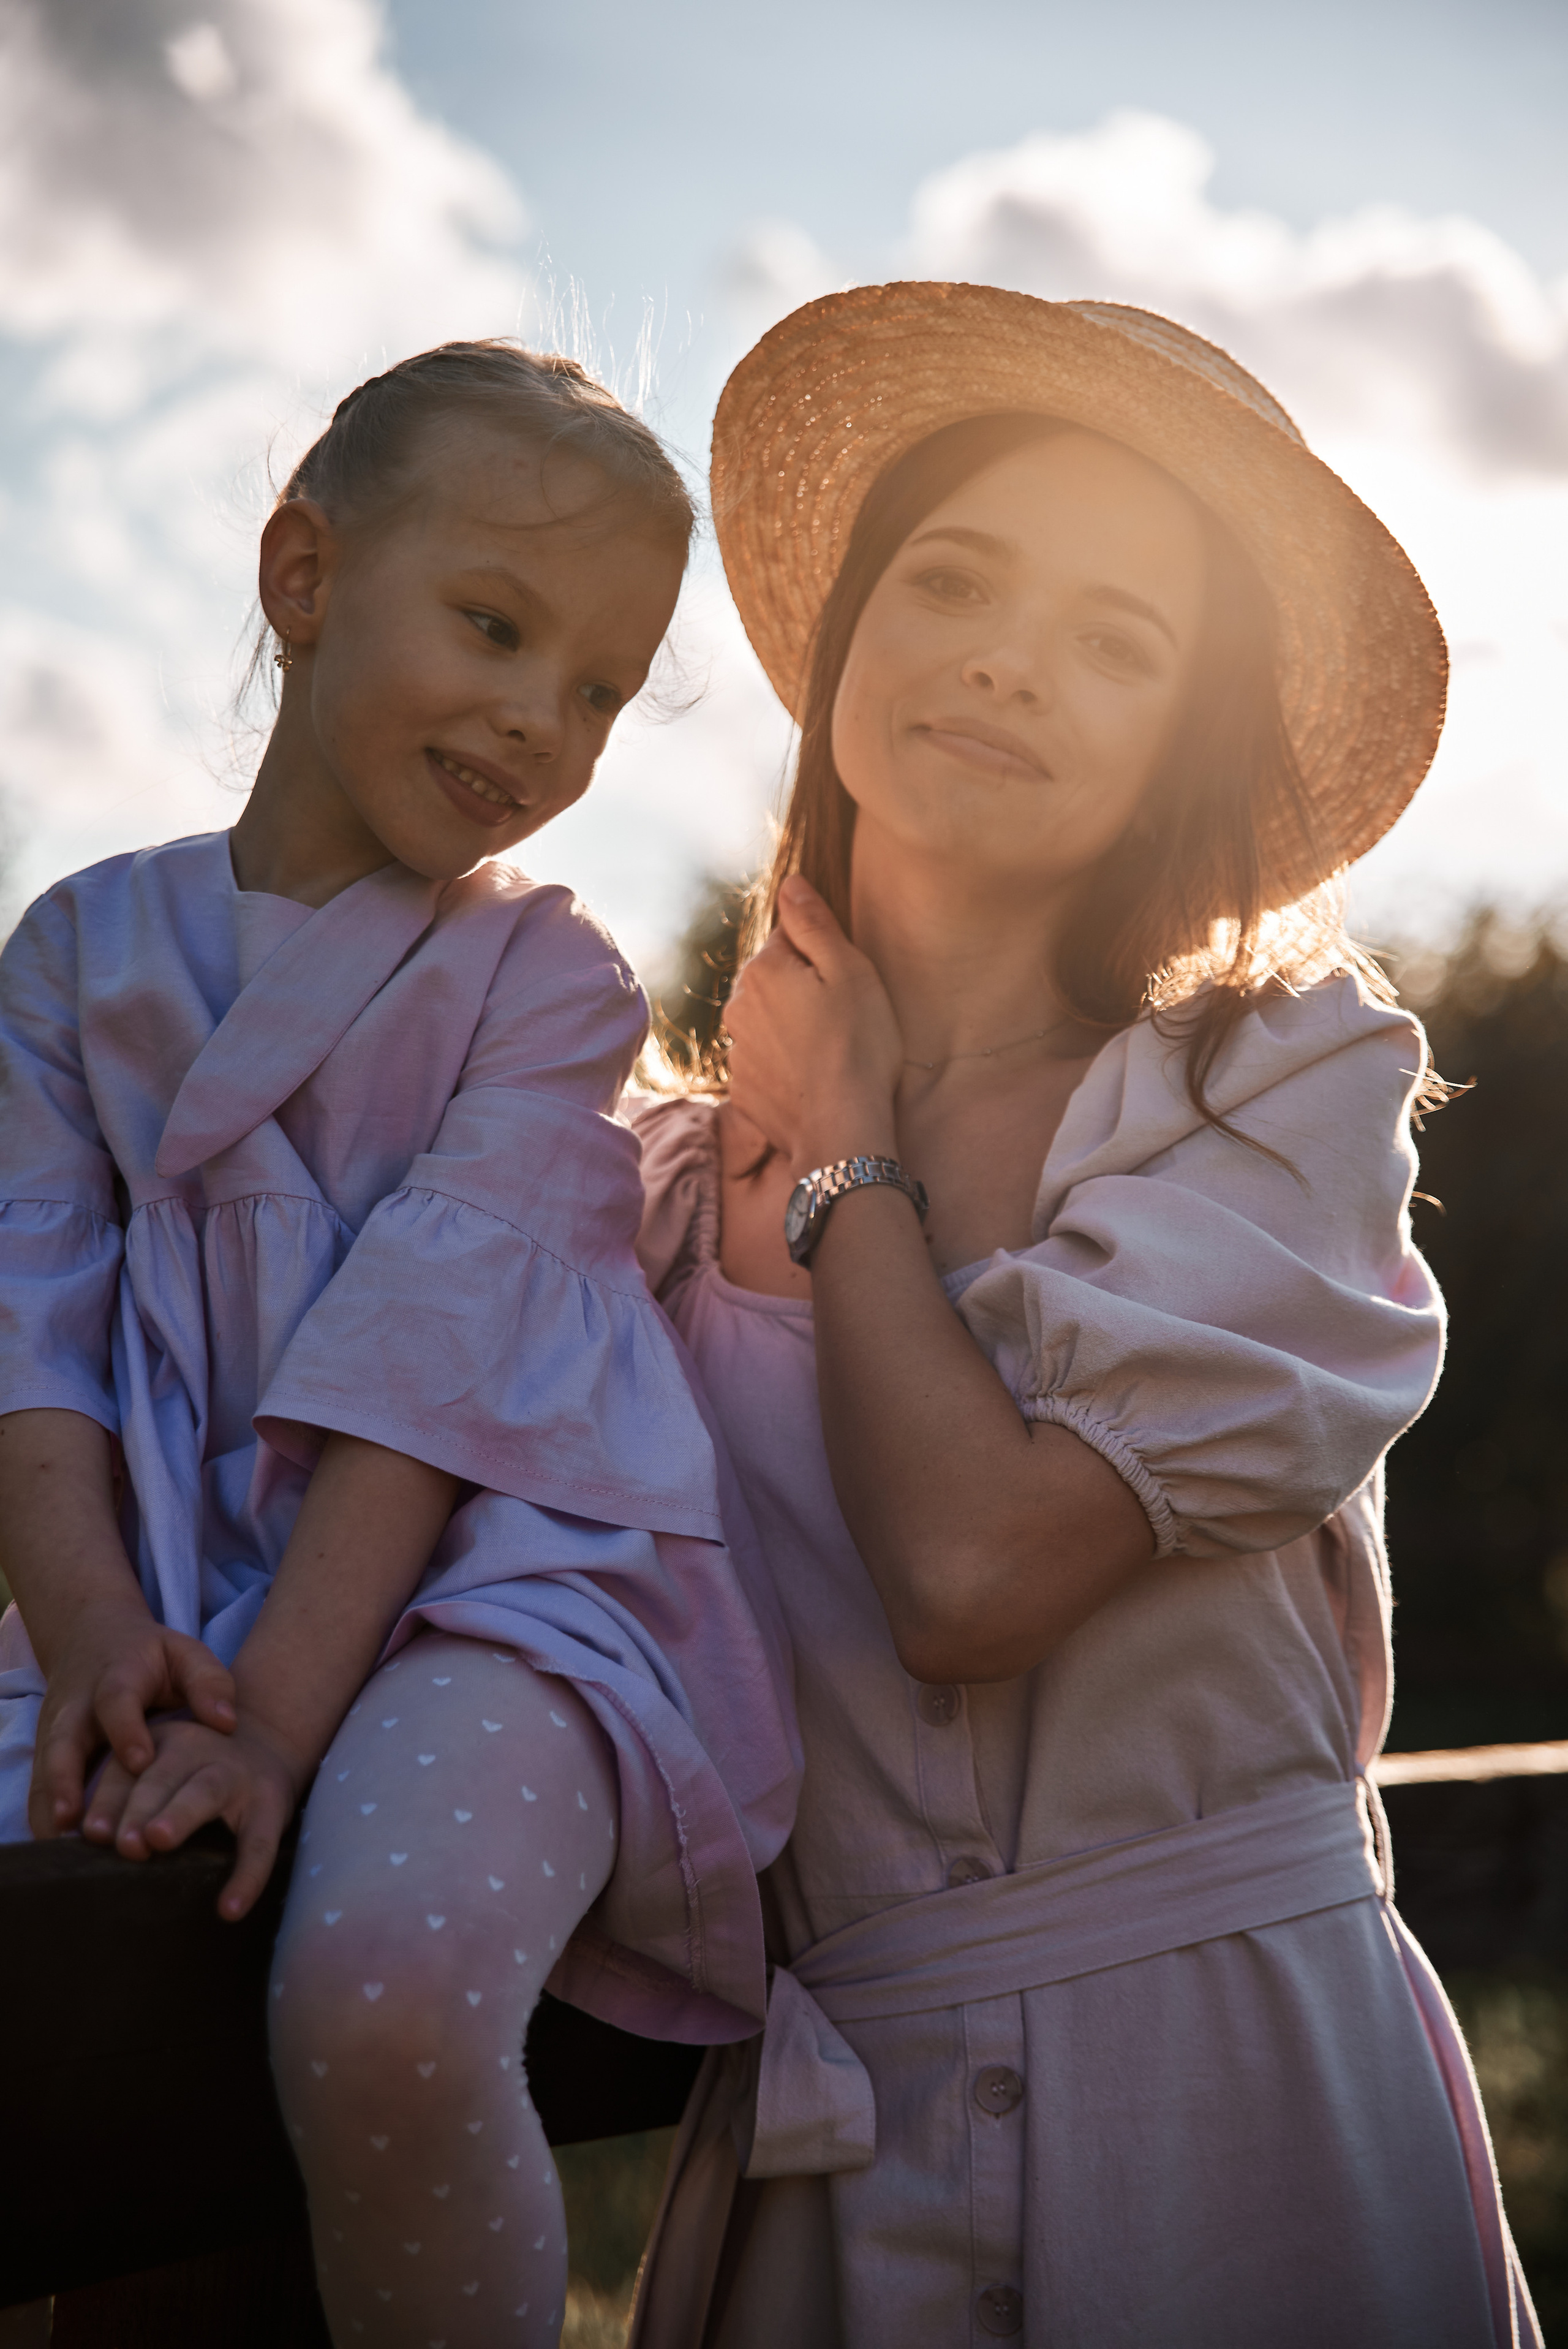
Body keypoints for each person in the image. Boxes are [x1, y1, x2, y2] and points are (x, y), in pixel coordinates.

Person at [627, 284, 1538, 2348]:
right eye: (954, 579)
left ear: (1177, 752)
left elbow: (973, 1570)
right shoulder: (654, 1196)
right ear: (851, 633)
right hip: (834, 2186)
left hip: (1244, 2132)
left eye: (1118, 642)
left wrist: (852, 1157)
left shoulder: (1275, 1091)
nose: (1008, 658)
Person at [0, 339, 799, 2349]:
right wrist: (97, 1638)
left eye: (602, 686)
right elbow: (33, 1338)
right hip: (151, 1589)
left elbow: (429, 1371)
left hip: (485, 1585)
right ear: (304, 576)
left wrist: (269, 1722)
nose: (543, 716)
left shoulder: (545, 977)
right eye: (497, 626)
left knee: (387, 1983)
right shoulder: (72, 956)